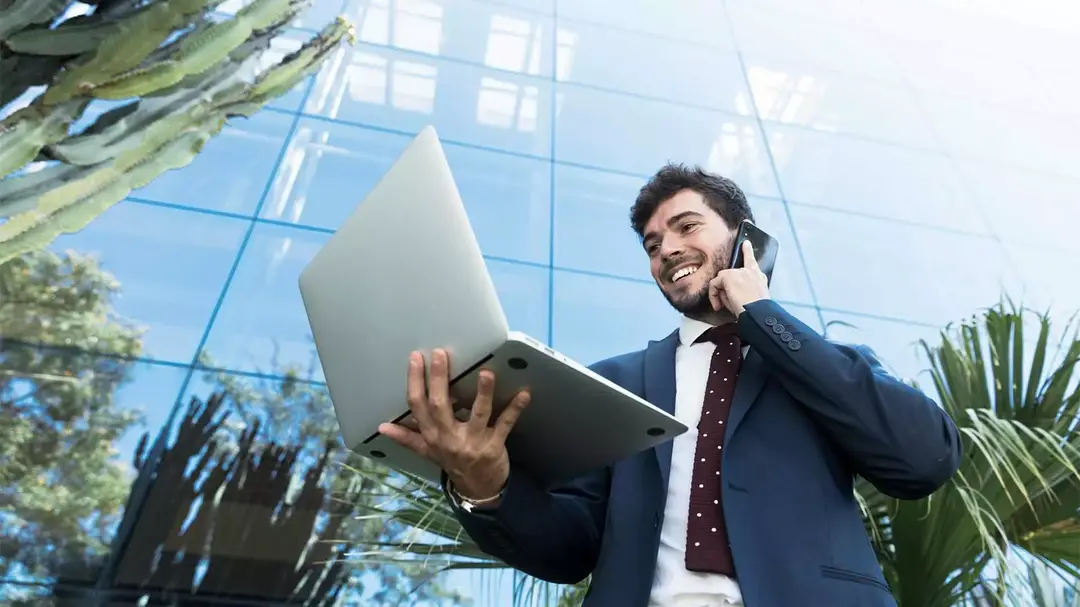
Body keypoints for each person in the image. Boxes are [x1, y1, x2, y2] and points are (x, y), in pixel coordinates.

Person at [378, 164, 963, 607]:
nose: (668, 251)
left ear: (743, 239)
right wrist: (486, 488)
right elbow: (570, 548)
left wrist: (761, 314)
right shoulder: (615, 383)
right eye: (653, 245)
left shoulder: (820, 366)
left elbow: (922, 460)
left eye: (687, 227)